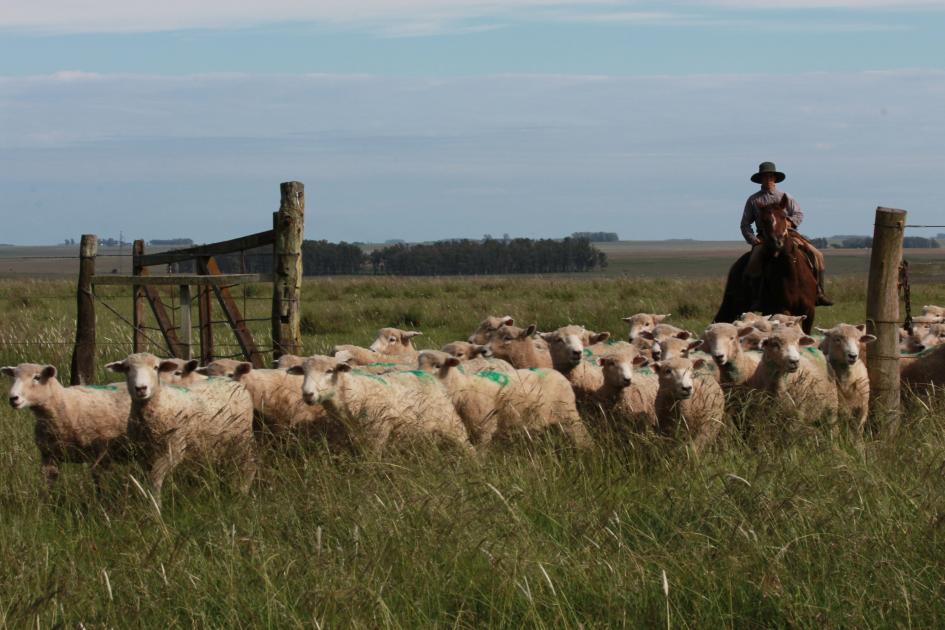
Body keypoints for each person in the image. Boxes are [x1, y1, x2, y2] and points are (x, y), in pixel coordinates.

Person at [740, 161, 833, 308]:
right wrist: (754, 240)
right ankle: (757, 297)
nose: (768, 179)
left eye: (771, 176)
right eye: (765, 177)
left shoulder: (785, 196)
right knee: (753, 260)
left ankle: (819, 293)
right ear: (760, 179)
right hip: (765, 237)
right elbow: (745, 224)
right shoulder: (753, 200)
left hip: (789, 234)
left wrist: (789, 222)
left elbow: (799, 213)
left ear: (775, 179)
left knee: (817, 255)